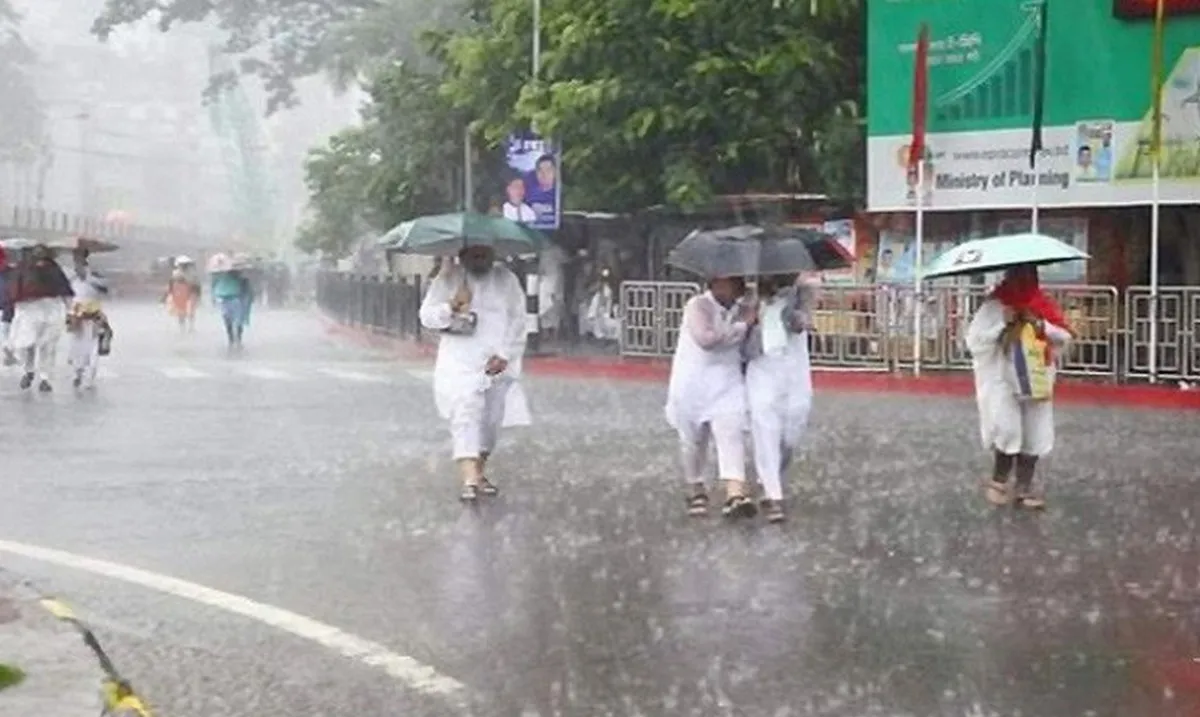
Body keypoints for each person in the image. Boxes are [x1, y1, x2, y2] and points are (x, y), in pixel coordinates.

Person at [419, 244, 531, 501]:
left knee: (489, 423)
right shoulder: (448, 278)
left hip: (496, 363)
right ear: (463, 254)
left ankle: (478, 472)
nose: (479, 259)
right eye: (474, 254)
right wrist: (451, 306)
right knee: (465, 413)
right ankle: (469, 478)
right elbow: (427, 317)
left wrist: (505, 354)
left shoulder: (506, 280)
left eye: (484, 254)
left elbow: (517, 319)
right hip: (459, 362)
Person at [965, 264, 1072, 510]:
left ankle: (1024, 487)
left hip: (1037, 377)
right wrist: (1002, 324)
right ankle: (999, 481)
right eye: (1020, 274)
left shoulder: (1042, 304)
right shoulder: (994, 306)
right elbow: (975, 340)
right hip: (1002, 379)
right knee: (1007, 428)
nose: (1026, 280)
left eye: (1030, 274)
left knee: (1036, 431)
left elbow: (1064, 336)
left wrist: (1041, 325)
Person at [665, 275, 756, 519]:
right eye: (729, 281)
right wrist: (741, 326)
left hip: (727, 382)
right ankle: (696, 488)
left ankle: (735, 493)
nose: (737, 285)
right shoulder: (697, 306)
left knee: (732, 433)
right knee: (693, 443)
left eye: (739, 280)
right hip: (692, 383)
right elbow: (707, 339)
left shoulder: (744, 308)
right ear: (713, 283)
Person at [743, 274, 816, 523]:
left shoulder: (800, 293)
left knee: (791, 431)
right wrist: (750, 319)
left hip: (793, 370)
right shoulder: (748, 297)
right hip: (762, 368)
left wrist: (796, 315)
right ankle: (773, 495)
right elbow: (737, 330)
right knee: (765, 428)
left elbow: (805, 320)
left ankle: (771, 475)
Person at [7, 244, 73, 391]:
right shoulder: (23, 269)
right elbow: (15, 291)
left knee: (48, 346)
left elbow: (66, 292)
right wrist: (14, 310)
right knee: (26, 344)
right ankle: (28, 371)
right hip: (29, 310)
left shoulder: (54, 269)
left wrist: (70, 312)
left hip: (50, 309)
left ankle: (45, 378)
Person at [66, 249, 111, 390]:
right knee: (76, 346)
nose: (77, 261)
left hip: (93, 315)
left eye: (79, 257)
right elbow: (66, 293)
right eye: (75, 258)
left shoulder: (95, 273)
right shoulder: (70, 275)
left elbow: (105, 289)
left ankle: (89, 377)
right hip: (75, 315)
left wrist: (88, 278)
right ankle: (77, 373)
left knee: (92, 347)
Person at [211, 267, 253, 348]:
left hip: (236, 300)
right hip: (228, 301)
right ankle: (233, 339)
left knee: (236, 321)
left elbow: (247, 291)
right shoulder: (222, 278)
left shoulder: (241, 279)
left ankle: (235, 339)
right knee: (230, 320)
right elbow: (215, 288)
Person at [164, 257, 201, 332]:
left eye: (185, 264)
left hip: (191, 293)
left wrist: (198, 294)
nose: (184, 266)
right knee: (181, 311)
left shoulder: (192, 273)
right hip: (180, 293)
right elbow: (171, 284)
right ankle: (182, 327)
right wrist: (168, 293)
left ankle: (191, 326)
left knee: (191, 310)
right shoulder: (176, 273)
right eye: (182, 264)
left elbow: (197, 284)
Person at [0, 246, 14, 366]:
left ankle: (9, 354)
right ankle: (8, 354)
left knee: (6, 331)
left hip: (9, 306)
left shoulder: (12, 273)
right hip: (5, 305)